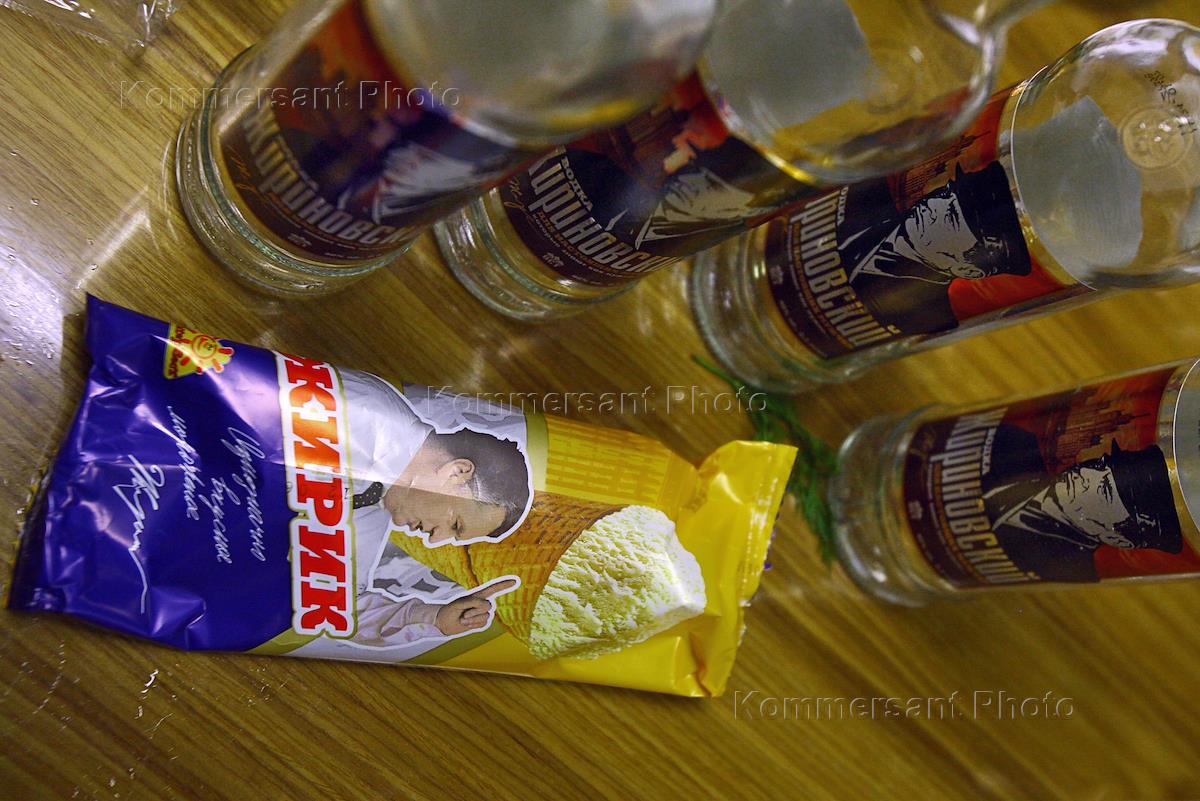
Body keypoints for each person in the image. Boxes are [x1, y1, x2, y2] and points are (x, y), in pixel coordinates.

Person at [339, 370, 532, 647]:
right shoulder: (366, 413)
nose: (434, 539)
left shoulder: (369, 518)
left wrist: (435, 618)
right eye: (455, 525)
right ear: (458, 472)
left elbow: (338, 607)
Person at [842, 161, 1032, 336]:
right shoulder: (870, 198)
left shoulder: (923, 320)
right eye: (946, 194)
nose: (932, 203)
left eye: (950, 217)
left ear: (968, 269)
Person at [981, 423, 1184, 583]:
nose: (1087, 473)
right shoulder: (1015, 445)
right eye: (1102, 465)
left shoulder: (1064, 572)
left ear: (1117, 538)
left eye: (1104, 490)